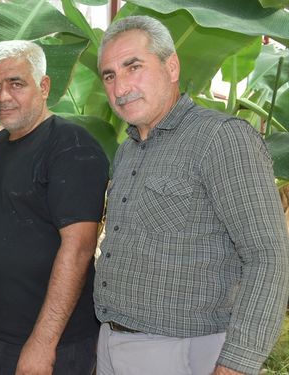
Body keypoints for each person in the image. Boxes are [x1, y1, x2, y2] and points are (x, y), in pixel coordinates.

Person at [94, 15, 289, 375]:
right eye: (109, 75)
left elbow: (268, 255)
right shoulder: (128, 150)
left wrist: (238, 363)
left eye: (132, 67)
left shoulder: (221, 138)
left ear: (171, 67)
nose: (120, 87)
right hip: (112, 341)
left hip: (183, 352)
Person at [0, 40, 109, 374]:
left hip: (52, 343)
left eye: (16, 83)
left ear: (44, 86)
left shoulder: (71, 146)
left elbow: (78, 248)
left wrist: (43, 343)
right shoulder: (1, 144)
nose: (3, 97)